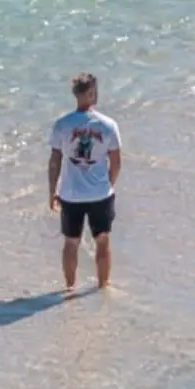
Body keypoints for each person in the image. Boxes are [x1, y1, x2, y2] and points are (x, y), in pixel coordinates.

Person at [48, 72, 122, 291]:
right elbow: (116, 162)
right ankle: (103, 286)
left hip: (71, 194)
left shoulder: (62, 124)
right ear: (91, 93)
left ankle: (69, 287)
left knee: (71, 242)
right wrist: (108, 184)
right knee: (102, 239)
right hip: (100, 193)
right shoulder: (108, 125)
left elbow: (54, 161)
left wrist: (52, 191)